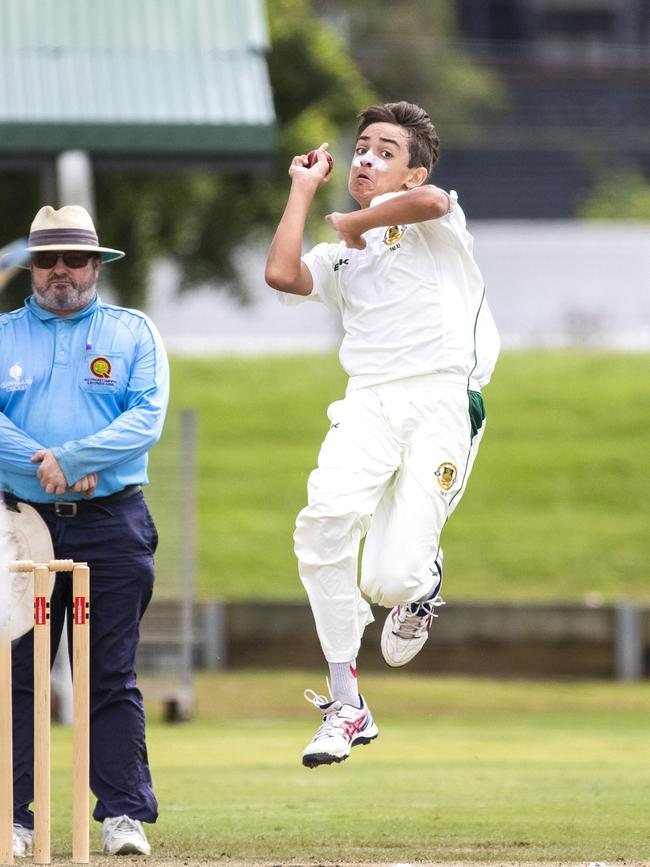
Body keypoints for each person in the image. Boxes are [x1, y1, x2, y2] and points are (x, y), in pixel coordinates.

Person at [265, 101, 500, 768]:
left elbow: (425, 206)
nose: (364, 157)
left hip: (439, 401)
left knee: (390, 578)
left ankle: (420, 587)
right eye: (360, 146)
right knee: (321, 526)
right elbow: (282, 274)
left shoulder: (437, 224)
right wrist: (303, 189)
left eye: (383, 150)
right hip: (366, 403)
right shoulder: (341, 258)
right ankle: (347, 704)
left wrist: (361, 219)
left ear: (413, 170)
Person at [0, 205, 169, 855]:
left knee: (109, 671)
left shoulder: (132, 333)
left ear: (97, 265)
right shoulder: (7, 333)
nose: (60, 272)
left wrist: (75, 460)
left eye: (73, 258)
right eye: (47, 260)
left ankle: (123, 813)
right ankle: (14, 816)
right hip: (20, 524)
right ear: (32, 269)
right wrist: (48, 466)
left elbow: (145, 418)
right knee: (18, 671)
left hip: (111, 522)